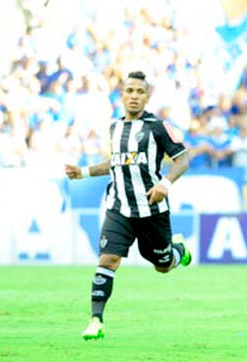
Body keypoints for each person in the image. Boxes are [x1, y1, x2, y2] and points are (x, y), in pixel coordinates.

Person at [65, 71, 192, 340]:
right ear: (122, 95)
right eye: (129, 91)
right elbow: (115, 164)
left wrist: (165, 184)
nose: (134, 96)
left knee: (163, 264)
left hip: (152, 210)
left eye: (140, 92)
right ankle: (95, 320)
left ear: (147, 97)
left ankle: (178, 251)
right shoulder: (114, 128)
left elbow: (182, 158)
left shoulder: (158, 127)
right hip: (119, 207)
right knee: (108, 260)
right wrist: (83, 172)